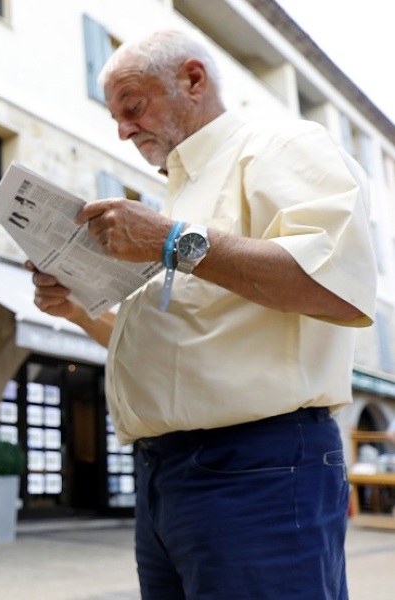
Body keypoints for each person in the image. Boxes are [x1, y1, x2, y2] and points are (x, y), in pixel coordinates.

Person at [25, 29, 375, 599]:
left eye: (133, 107)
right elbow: (183, 347)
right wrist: (74, 310)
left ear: (193, 79)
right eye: (115, 117)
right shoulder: (179, 197)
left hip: (257, 467)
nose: (123, 130)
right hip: (169, 476)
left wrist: (171, 240)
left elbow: (338, 286)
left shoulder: (280, 145)